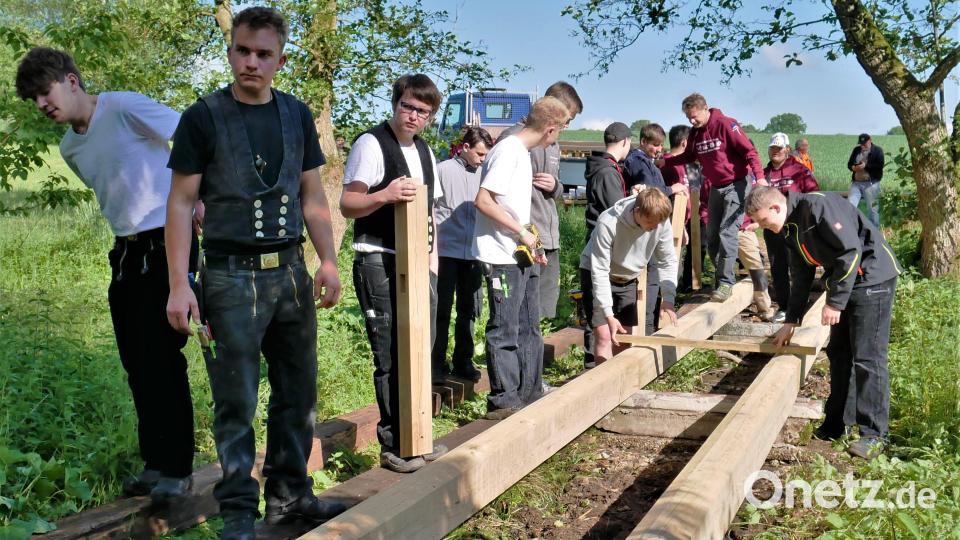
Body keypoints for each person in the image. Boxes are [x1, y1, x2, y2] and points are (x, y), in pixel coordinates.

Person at [164, 7, 345, 538]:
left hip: (290, 274)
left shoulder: (296, 115)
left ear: (280, 60)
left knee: (298, 391)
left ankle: (289, 497)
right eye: (242, 51)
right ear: (230, 52)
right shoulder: (203, 117)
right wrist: (178, 285)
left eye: (264, 54)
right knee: (236, 400)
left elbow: (312, 195)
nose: (251, 62)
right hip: (228, 277)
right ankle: (239, 513)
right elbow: (180, 203)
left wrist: (327, 259)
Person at [15, 47, 199, 504]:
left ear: (71, 80)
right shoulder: (69, 147)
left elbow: (193, 137)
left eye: (44, 91)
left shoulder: (122, 107)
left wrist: (201, 198)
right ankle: (155, 461)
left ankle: (178, 469)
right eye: (33, 99)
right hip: (125, 252)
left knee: (162, 356)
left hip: (167, 241)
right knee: (136, 360)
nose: (41, 103)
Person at [340, 73, 448, 474]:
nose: (413, 116)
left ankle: (418, 433)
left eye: (423, 111)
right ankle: (394, 443)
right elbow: (348, 203)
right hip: (379, 259)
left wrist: (433, 260)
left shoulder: (425, 152)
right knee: (390, 352)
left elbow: (430, 211)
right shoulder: (371, 144)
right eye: (407, 106)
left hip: (419, 262)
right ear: (395, 104)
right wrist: (385, 195)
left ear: (430, 116)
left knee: (421, 347)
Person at [747, 186, 901, 460]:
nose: (763, 227)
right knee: (839, 353)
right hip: (846, 280)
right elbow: (801, 273)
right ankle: (837, 423)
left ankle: (875, 435)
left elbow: (850, 252)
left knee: (867, 358)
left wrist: (835, 303)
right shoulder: (790, 227)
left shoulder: (818, 207)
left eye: (763, 221)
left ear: (776, 207)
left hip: (872, 278)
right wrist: (791, 320)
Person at [473, 96, 569, 420]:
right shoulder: (508, 151)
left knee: (529, 326)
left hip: (519, 254)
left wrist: (532, 245)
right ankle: (503, 401)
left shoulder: (522, 153)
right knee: (505, 329)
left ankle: (530, 392)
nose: (558, 137)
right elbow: (483, 201)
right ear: (550, 129)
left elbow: (512, 208)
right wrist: (520, 232)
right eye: (560, 130)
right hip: (500, 256)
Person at [660, 93, 766, 302]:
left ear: (705, 108)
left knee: (728, 231)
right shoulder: (695, 133)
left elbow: (750, 152)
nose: (692, 121)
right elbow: (689, 156)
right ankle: (722, 279)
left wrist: (760, 178)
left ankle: (726, 282)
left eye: (694, 116)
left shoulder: (726, 125)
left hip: (737, 184)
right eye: (688, 118)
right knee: (712, 236)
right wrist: (667, 162)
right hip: (717, 187)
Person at [497, 81, 583, 320]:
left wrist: (556, 186)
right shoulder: (513, 139)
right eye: (568, 118)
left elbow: (559, 188)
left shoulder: (554, 143)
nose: (567, 125)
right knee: (523, 309)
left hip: (548, 235)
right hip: (524, 236)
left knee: (544, 307)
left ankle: (541, 342)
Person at [580, 189, 678, 363]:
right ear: (637, 211)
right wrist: (608, 314)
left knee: (624, 337)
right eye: (650, 222)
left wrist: (668, 298)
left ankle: (620, 378)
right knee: (604, 335)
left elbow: (667, 261)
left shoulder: (659, 220)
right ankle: (604, 380)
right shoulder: (608, 222)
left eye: (658, 223)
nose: (654, 227)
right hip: (597, 273)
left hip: (628, 277)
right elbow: (600, 270)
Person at [432, 126, 493, 382]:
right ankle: (435, 364)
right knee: (441, 310)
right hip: (446, 252)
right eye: (479, 154)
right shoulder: (442, 170)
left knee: (469, 310)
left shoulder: (485, 174)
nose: (482, 159)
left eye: (486, 155)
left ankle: (463, 361)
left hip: (474, 253)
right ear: (465, 147)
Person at [581, 121, 632, 367]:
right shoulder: (608, 172)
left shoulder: (602, 167)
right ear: (626, 141)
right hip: (604, 243)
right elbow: (618, 211)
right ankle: (595, 365)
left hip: (601, 240)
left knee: (600, 310)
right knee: (600, 313)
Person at [763, 133, 820, 322]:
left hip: (796, 227)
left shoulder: (799, 170)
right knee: (778, 267)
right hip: (772, 229)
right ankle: (784, 307)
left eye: (779, 148)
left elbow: (813, 194)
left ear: (787, 149)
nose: (775, 151)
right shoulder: (764, 174)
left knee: (799, 266)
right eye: (772, 148)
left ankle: (800, 306)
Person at [661, 125, 702, 294]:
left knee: (683, 255)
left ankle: (682, 289)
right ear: (685, 142)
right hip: (672, 220)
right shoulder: (667, 165)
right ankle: (668, 295)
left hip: (687, 219)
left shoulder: (690, 165)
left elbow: (695, 189)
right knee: (671, 257)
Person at [846, 133, 884, 228]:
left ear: (870, 140)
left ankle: (874, 231)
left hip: (871, 184)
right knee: (850, 205)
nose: (862, 146)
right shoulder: (856, 150)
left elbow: (880, 166)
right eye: (861, 144)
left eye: (864, 144)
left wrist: (866, 166)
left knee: (873, 209)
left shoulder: (878, 150)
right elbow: (849, 164)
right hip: (856, 184)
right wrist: (853, 168)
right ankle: (851, 228)